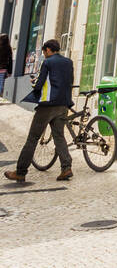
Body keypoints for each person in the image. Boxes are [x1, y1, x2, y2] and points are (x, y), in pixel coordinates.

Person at [4, 39, 74, 183]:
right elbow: (70, 81)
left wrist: (33, 83)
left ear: (48, 50)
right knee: (59, 136)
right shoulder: (68, 62)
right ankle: (66, 168)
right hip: (63, 105)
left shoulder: (47, 62)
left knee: (33, 138)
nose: (44, 54)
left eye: (44, 52)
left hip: (47, 105)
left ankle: (20, 172)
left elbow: (39, 83)